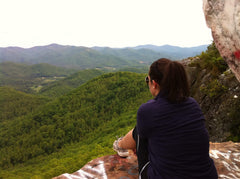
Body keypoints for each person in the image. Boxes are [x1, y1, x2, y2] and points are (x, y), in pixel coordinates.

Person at [113, 58, 218, 179]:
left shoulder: (147, 110)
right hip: (207, 176)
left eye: (148, 80)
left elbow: (141, 136)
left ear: (154, 84)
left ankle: (120, 146)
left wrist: (126, 144)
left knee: (139, 132)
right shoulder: (193, 104)